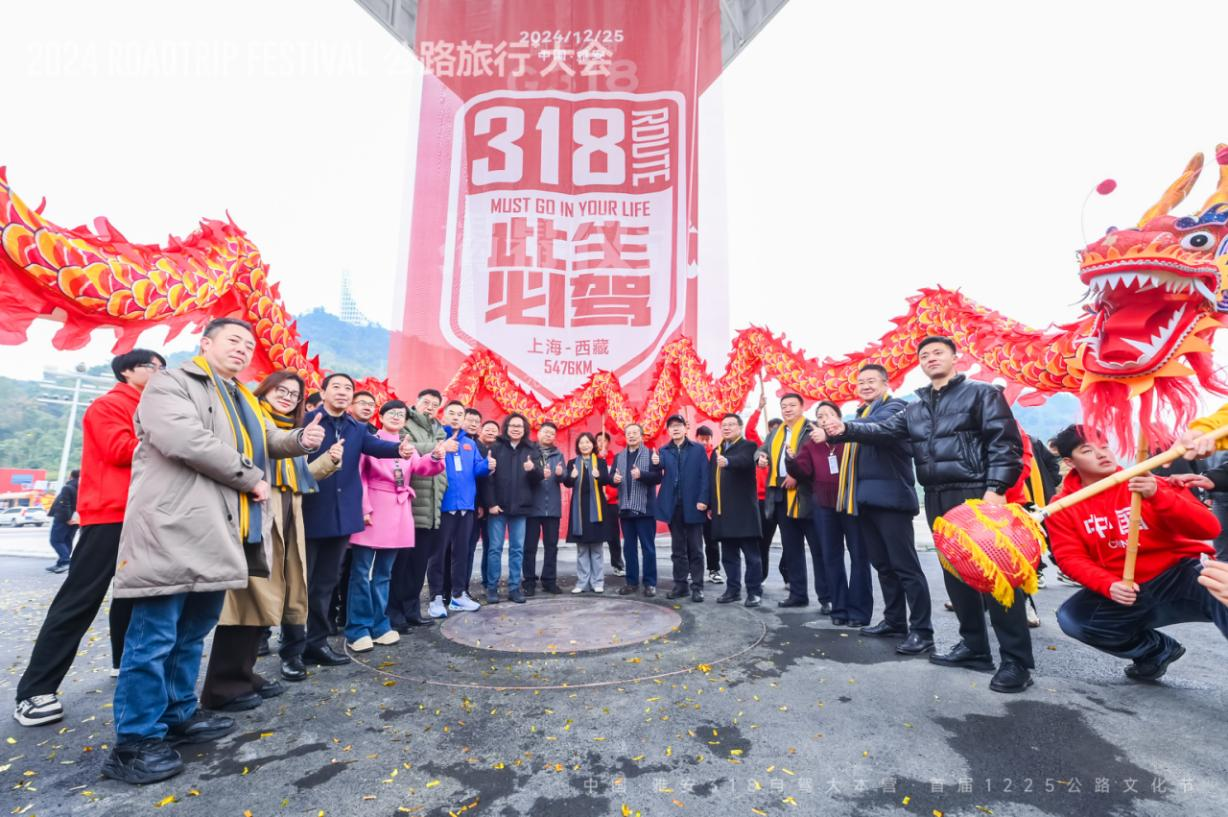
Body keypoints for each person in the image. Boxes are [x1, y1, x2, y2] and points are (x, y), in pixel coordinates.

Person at [103, 318, 324, 784]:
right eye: (233, 340)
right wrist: (252, 477)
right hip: (174, 525)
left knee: (191, 631)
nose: (243, 349)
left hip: (221, 531)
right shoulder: (172, 382)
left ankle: (179, 714)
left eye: (249, 344)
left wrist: (297, 441)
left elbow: (263, 441)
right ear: (205, 343)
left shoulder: (241, 396)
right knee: (153, 637)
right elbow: (184, 439)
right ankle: (134, 741)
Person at [823, 336, 1032, 693]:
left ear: (955, 357)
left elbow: (1004, 442)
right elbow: (884, 430)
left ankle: (1016, 662)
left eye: (938, 353)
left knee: (996, 575)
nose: (931, 358)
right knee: (956, 573)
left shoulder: (981, 394)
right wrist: (847, 428)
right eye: (924, 355)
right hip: (935, 495)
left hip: (976, 492)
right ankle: (974, 647)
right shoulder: (916, 408)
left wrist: (996, 488)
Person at [14, 349, 163, 728]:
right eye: (152, 366)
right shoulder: (108, 405)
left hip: (147, 514)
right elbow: (118, 450)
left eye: (164, 368)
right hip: (111, 514)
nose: (160, 373)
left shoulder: (155, 408)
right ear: (127, 371)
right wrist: (171, 436)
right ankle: (34, 691)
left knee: (136, 594)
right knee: (80, 598)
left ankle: (123, 662)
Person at [200, 371, 342, 708]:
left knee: (270, 599)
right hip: (258, 515)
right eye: (282, 390)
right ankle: (223, 685)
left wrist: (328, 461)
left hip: (288, 515)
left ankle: (244, 674)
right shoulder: (251, 421)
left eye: (294, 394)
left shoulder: (291, 430)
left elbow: (297, 476)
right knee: (248, 600)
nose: (288, 397)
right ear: (263, 391)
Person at [1048, 424, 1228, 681]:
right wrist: (1108, 585)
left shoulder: (1149, 483)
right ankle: (1156, 651)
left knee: (1222, 591)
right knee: (1074, 618)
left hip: (1179, 575)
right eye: (1087, 451)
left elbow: (1209, 528)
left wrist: (1158, 496)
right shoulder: (1063, 505)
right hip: (1126, 588)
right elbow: (1069, 557)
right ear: (1069, 461)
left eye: (1104, 446)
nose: (1101, 454)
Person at [293, 373, 413, 667]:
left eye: (348, 388)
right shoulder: (306, 421)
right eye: (336, 387)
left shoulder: (356, 428)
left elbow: (375, 446)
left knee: (326, 583)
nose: (343, 392)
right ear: (322, 392)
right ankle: (291, 647)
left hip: (341, 517)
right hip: (309, 511)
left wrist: (398, 449)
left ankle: (316, 644)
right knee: (299, 584)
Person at [832, 364, 932, 654]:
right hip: (865, 500)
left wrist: (845, 428)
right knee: (884, 566)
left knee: (906, 567)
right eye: (861, 382)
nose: (865, 386)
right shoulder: (861, 415)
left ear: (886, 384)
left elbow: (878, 429)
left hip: (892, 500)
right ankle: (894, 621)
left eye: (871, 381)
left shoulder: (896, 409)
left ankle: (922, 631)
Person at [348, 400, 449, 651]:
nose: (396, 417)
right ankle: (358, 628)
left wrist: (434, 457)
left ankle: (380, 625)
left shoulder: (406, 444)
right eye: (391, 413)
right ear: (381, 417)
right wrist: (363, 508)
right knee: (361, 572)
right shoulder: (370, 441)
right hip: (373, 509)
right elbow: (359, 477)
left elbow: (421, 467)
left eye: (401, 414)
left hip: (398, 511)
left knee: (384, 574)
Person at [786, 402, 874, 629]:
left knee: (859, 556)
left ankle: (859, 611)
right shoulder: (811, 444)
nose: (824, 419)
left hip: (851, 502)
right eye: (820, 416)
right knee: (831, 557)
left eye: (828, 415)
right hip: (823, 505)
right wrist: (791, 460)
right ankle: (839, 608)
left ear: (839, 417)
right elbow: (803, 471)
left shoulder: (851, 437)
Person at [758, 394, 828, 611]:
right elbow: (761, 449)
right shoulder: (776, 432)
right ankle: (798, 594)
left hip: (806, 496)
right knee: (791, 549)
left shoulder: (811, 429)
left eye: (792, 405)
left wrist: (797, 475)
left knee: (818, 549)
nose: (787, 409)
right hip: (780, 495)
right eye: (784, 406)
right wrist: (760, 457)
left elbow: (819, 459)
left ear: (802, 407)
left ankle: (827, 598)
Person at [390, 389, 449, 622]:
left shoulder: (439, 429)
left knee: (418, 564)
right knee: (401, 564)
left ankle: (412, 611)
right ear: (416, 403)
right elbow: (408, 447)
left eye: (435, 404)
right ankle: (395, 613)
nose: (430, 407)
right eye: (426, 402)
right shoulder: (405, 423)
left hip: (431, 507)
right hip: (410, 504)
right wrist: (437, 446)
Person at [431, 403, 490, 613]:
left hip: (466, 506)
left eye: (459, 414)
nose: (456, 417)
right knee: (438, 554)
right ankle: (436, 598)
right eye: (452, 413)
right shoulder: (436, 438)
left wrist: (487, 465)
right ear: (443, 416)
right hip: (443, 505)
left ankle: (458, 595)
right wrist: (440, 448)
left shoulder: (469, 444)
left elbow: (477, 469)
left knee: (461, 553)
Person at [483, 413, 543, 603]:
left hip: (521, 508)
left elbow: (539, 478)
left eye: (519, 426)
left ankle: (514, 588)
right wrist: (491, 503)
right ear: (506, 428)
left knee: (517, 549)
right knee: (495, 549)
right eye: (512, 425)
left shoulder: (532, 448)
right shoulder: (495, 447)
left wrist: (532, 470)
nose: (516, 429)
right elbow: (488, 479)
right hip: (498, 508)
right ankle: (492, 588)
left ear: (525, 429)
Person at [709, 414, 763, 606]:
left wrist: (729, 462)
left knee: (752, 556)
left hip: (744, 512)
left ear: (739, 427)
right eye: (724, 425)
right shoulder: (717, 450)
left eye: (731, 424)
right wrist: (710, 504)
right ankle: (732, 590)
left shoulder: (748, 446)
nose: (727, 427)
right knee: (729, 556)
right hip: (723, 512)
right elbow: (711, 480)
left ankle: (754, 592)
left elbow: (744, 461)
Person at [656, 415, 711, 602]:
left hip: (694, 504)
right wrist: (655, 463)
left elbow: (705, 476)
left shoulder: (698, 449)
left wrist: (704, 499)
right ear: (668, 430)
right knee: (677, 549)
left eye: (678, 425)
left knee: (695, 548)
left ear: (686, 428)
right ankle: (680, 586)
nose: (675, 429)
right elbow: (658, 474)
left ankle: (697, 587)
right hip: (673, 506)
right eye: (672, 426)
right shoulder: (663, 451)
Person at [612, 422, 662, 597]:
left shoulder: (650, 454)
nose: (631, 436)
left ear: (641, 436)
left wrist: (642, 475)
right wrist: (614, 479)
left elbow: (658, 477)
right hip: (625, 509)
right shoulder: (619, 457)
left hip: (645, 509)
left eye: (635, 433)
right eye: (628, 433)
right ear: (625, 437)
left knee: (648, 548)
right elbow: (612, 478)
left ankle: (650, 583)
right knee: (629, 548)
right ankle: (631, 582)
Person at [563, 432, 612, 593]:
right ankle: (582, 582)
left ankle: (597, 582)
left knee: (597, 548)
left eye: (588, 442)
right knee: (582, 548)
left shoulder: (600, 462)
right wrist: (571, 476)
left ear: (593, 445)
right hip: (579, 510)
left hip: (596, 509)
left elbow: (607, 480)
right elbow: (567, 483)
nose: (585, 445)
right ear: (578, 446)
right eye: (581, 443)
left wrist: (599, 476)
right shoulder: (572, 463)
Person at [524, 421, 565, 596]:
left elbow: (564, 478)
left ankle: (549, 580)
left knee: (551, 547)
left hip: (552, 509)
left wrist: (560, 474)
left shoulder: (559, 454)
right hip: (532, 507)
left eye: (552, 433)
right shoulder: (529, 452)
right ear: (539, 433)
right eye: (546, 432)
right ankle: (529, 582)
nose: (549, 435)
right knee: (529, 547)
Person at [694, 425, 725, 586]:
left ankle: (714, 570)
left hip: (709, 505)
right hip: (694, 504)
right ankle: (693, 570)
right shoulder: (691, 452)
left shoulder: (716, 453)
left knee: (711, 540)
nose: (705, 442)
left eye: (707, 439)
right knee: (693, 540)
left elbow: (715, 482)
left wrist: (711, 505)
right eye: (702, 439)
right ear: (696, 438)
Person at [474, 419, 501, 591]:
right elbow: (478, 480)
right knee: (469, 546)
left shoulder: (497, 449)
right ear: (480, 430)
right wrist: (479, 504)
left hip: (491, 506)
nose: (491, 432)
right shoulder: (474, 447)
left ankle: (487, 581)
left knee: (490, 545)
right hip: (476, 505)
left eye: (494, 430)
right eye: (488, 429)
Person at [596, 431, 627, 577]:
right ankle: (595, 567)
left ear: (608, 442)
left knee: (613, 536)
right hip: (596, 503)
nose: (601, 443)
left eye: (604, 440)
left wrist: (610, 494)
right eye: (598, 440)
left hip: (611, 502)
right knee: (595, 536)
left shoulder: (615, 459)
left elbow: (619, 480)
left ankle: (617, 565)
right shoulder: (593, 459)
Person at [757, 416, 783, 583]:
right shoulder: (764, 448)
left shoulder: (788, 447)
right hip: (763, 501)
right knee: (763, 542)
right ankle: (761, 576)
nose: (774, 432)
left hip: (784, 498)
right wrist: (759, 409)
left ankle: (788, 576)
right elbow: (750, 431)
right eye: (771, 429)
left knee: (790, 542)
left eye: (777, 429)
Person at [45, 469, 79, 573]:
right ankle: (61, 563)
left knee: (56, 540)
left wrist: (67, 518)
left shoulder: (67, 487)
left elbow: (65, 504)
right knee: (67, 540)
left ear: (71, 476)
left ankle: (65, 561)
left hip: (64, 519)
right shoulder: (84, 488)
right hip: (76, 519)